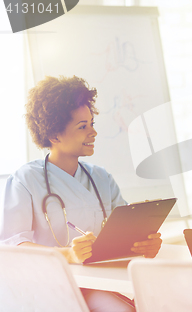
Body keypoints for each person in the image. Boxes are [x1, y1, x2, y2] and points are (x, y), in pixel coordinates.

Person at [0, 76, 162, 311]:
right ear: (54, 136)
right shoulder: (25, 180)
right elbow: (12, 245)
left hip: (93, 283)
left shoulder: (101, 178)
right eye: (83, 127)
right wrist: (67, 255)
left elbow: (124, 230)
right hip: (45, 287)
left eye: (92, 124)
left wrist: (143, 245)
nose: (93, 133)